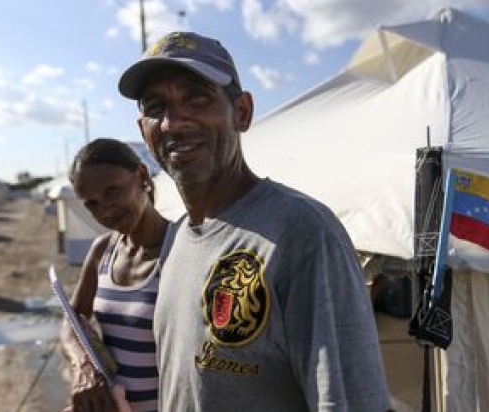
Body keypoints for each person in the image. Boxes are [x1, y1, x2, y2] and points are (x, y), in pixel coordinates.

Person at [118, 31, 392, 411]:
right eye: (155, 106)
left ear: (242, 112)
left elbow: (349, 403)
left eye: (197, 98)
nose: (173, 122)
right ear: (143, 133)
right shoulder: (178, 236)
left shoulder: (303, 232)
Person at [60, 138, 171, 412]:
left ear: (142, 176)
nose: (105, 210)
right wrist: (82, 365)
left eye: (112, 191)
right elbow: (72, 320)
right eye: (92, 204)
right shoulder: (103, 251)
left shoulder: (182, 248)